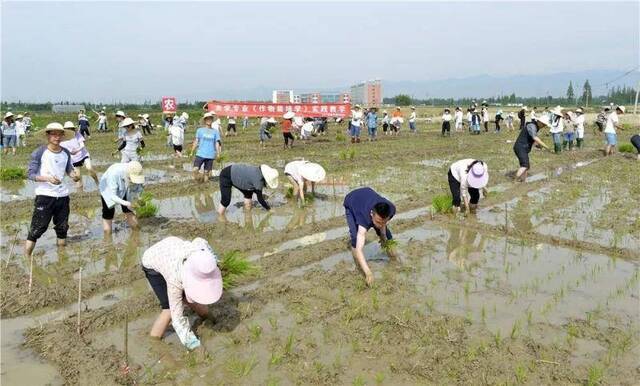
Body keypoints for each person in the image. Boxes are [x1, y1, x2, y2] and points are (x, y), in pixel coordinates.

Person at [141, 236, 223, 352]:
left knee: (192, 299)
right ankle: (154, 340)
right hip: (152, 261)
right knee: (169, 310)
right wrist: (194, 346)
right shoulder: (175, 280)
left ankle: (210, 319)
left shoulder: (204, 255)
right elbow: (177, 319)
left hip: (172, 246)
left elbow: (200, 240)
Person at [25, 123, 80, 260]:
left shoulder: (65, 152)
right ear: (48, 135)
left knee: (62, 228)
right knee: (37, 228)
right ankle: (26, 258)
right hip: (45, 196)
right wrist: (47, 178)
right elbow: (30, 174)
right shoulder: (39, 152)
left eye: (59, 134)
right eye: (53, 134)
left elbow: (68, 169)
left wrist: (73, 175)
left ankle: (62, 258)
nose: (57, 137)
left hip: (62, 196)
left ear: (63, 136)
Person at [343, 187, 398, 286]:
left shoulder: (391, 209)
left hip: (367, 194)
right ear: (371, 214)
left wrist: (383, 235)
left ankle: (393, 256)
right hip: (352, 201)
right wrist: (368, 273)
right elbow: (359, 249)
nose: (380, 225)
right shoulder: (363, 219)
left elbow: (382, 225)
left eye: (384, 221)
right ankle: (359, 266)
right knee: (355, 240)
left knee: (387, 234)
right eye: (378, 221)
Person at [99, 161, 144, 233]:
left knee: (129, 210)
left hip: (125, 186)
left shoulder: (136, 170)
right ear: (128, 174)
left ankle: (136, 235)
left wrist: (137, 199)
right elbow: (112, 196)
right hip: (108, 188)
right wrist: (127, 203)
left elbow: (138, 189)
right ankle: (108, 239)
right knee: (108, 214)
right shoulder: (114, 173)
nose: (135, 181)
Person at [60, 121, 99, 190]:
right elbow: (64, 150)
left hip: (84, 155)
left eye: (71, 128)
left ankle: (97, 183)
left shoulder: (77, 134)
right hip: (74, 159)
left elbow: (82, 144)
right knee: (77, 177)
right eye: (68, 129)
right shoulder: (62, 139)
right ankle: (81, 192)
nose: (70, 130)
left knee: (89, 168)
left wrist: (77, 150)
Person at [513, 116, 551, 182]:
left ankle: (523, 180)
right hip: (520, 147)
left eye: (545, 125)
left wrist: (537, 145)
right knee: (525, 165)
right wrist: (546, 147)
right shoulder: (532, 126)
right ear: (539, 122)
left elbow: (530, 139)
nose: (544, 126)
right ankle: (515, 181)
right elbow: (535, 137)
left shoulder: (535, 127)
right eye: (543, 124)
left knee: (526, 166)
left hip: (523, 147)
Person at [191, 112, 222, 182]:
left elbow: (217, 143)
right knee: (195, 169)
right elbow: (196, 141)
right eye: (207, 119)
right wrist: (192, 150)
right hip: (200, 154)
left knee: (207, 173)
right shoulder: (200, 130)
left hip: (210, 155)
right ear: (205, 120)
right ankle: (198, 181)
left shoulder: (215, 132)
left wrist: (218, 153)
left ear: (212, 120)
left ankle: (205, 187)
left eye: (210, 119)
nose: (209, 120)